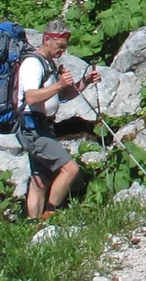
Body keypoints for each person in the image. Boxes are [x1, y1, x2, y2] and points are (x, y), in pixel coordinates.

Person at [16, 26, 93, 220]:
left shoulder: (48, 63)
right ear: (47, 39)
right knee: (70, 169)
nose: (62, 51)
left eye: (65, 47)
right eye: (60, 46)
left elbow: (64, 96)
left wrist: (85, 82)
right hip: (32, 127)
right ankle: (50, 214)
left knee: (40, 180)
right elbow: (31, 97)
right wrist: (59, 84)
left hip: (44, 126)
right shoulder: (32, 63)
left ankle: (33, 225)